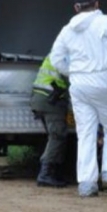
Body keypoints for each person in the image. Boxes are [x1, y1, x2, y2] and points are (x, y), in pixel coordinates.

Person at [50, 0, 107, 197]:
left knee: (86, 132)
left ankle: (87, 184)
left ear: (76, 8)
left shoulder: (67, 30)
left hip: (79, 83)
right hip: (104, 79)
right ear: (96, 4)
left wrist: (73, 72)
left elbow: (56, 60)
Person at [30, 54, 70, 188]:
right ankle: (45, 174)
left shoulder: (57, 53)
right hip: (51, 100)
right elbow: (73, 81)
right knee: (57, 136)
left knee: (55, 136)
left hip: (41, 98)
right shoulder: (66, 56)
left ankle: (53, 172)